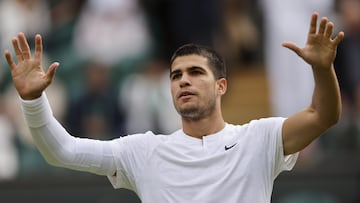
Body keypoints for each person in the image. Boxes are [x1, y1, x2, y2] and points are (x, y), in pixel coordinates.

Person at [4, 12, 344, 202]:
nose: (183, 80)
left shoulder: (260, 137)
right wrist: (33, 100)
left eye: (196, 72)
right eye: (176, 75)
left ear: (221, 86)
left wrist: (322, 68)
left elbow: (322, 115)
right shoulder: (144, 150)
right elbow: (62, 150)